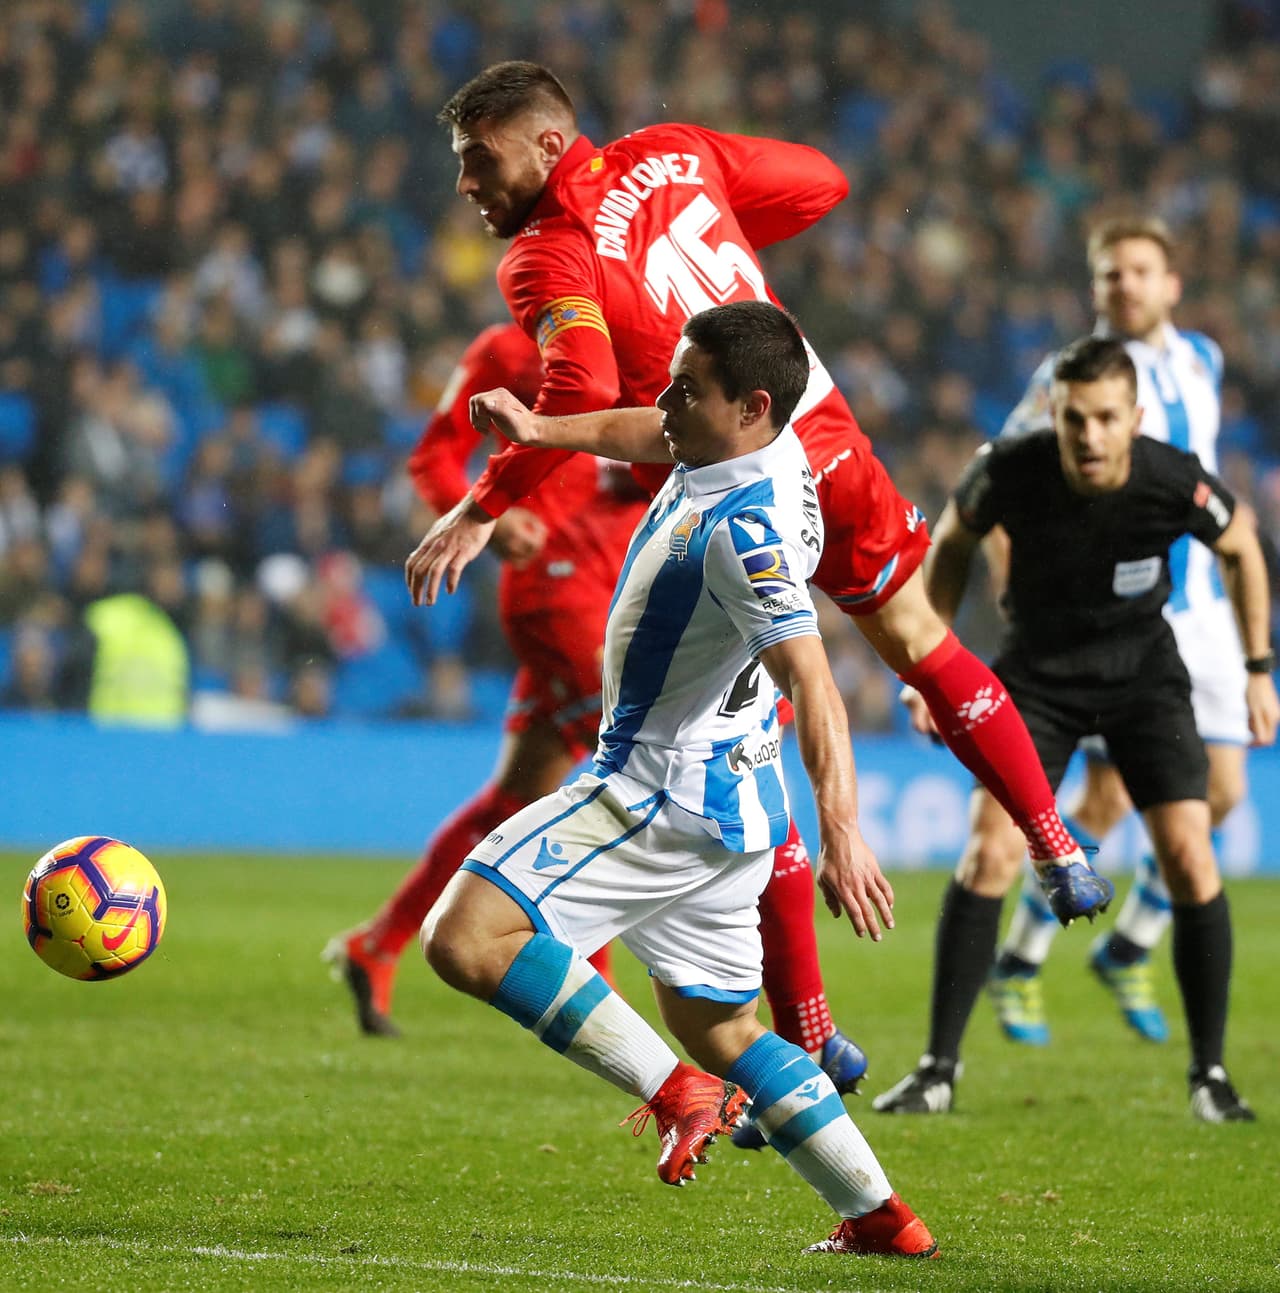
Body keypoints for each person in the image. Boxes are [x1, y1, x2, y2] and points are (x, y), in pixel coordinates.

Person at [405, 61, 1108, 940]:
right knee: (924, 645)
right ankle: (1056, 846)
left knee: (734, 742)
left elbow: (580, 384)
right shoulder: (674, 151)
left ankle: (800, 1029)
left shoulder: (547, 252)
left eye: (480, 158)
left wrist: (480, 506)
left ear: (549, 144)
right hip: (822, 430)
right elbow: (823, 183)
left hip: (730, 499)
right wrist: (726, 224)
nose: (468, 182)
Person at [420, 299, 939, 1258]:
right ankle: (882, 1217)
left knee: (466, 936)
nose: (664, 401)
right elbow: (644, 429)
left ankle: (676, 1095)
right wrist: (541, 432)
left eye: (685, 389)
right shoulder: (761, 447)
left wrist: (845, 829)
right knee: (726, 1024)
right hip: (732, 805)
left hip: (655, 789)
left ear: (749, 406)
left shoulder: (745, 533)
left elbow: (814, 680)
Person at [324, 324, 873, 1104]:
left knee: (522, 793)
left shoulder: (644, 336)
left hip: (632, 585)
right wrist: (486, 506)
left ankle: (378, 943)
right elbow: (433, 457)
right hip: (560, 586)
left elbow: (647, 436)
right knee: (670, 779)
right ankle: (789, 1034)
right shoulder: (506, 347)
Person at [873, 336, 1278, 1123]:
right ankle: (936, 1069)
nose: (1089, 437)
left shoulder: (1171, 477)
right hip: (1039, 679)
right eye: (1073, 420)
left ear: (1134, 417)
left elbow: (1239, 546)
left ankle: (1211, 1076)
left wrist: (1259, 665)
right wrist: (931, 664)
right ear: (1053, 415)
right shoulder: (1012, 467)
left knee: (1192, 856)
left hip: (1142, 678)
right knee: (988, 848)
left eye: (1104, 419)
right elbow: (951, 539)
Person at [984, 216, 1260, 1048]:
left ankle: (1128, 942)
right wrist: (1016, 582)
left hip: (1202, 609)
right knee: (1108, 797)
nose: (1124, 286)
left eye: (1138, 271)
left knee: (1224, 794)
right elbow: (1003, 477)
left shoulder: (1203, 359)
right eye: (1109, 274)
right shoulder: (1065, 378)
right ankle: (1022, 960)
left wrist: (1254, 658)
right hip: (1119, 614)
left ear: (1170, 283)